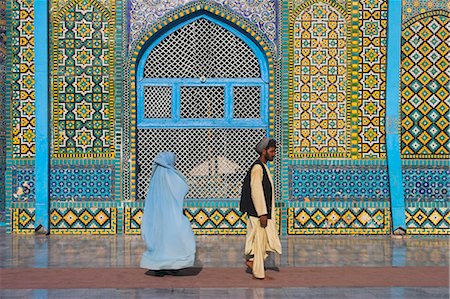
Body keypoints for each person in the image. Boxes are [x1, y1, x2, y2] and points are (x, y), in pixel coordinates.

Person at [140, 152, 196, 275]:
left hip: (156, 215)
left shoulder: (155, 176)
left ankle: (159, 267)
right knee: (173, 238)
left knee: (159, 239)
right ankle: (172, 265)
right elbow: (183, 187)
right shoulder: (172, 175)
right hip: (171, 213)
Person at [239, 138, 282, 279]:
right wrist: (262, 213)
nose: (274, 154)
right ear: (264, 151)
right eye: (272, 151)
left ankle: (252, 262)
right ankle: (258, 273)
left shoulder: (263, 167)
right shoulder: (257, 168)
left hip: (262, 213)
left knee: (266, 242)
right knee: (260, 243)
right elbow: (256, 191)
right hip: (259, 214)